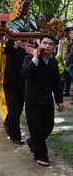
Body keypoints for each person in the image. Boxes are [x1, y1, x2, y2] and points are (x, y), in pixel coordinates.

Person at [22, 34, 64, 167]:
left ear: (54, 47)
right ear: (39, 43)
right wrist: (35, 59)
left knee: (48, 127)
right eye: (44, 43)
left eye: (50, 44)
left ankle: (32, 142)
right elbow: (24, 74)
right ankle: (41, 155)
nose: (47, 46)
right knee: (36, 129)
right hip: (32, 100)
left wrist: (60, 100)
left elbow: (57, 82)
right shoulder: (29, 58)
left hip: (47, 100)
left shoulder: (53, 62)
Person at [3, 31, 28, 144]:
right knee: (13, 109)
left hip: (22, 83)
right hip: (10, 83)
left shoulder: (27, 51)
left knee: (18, 109)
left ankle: (8, 122)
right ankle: (15, 135)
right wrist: (12, 38)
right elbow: (8, 50)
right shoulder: (11, 49)